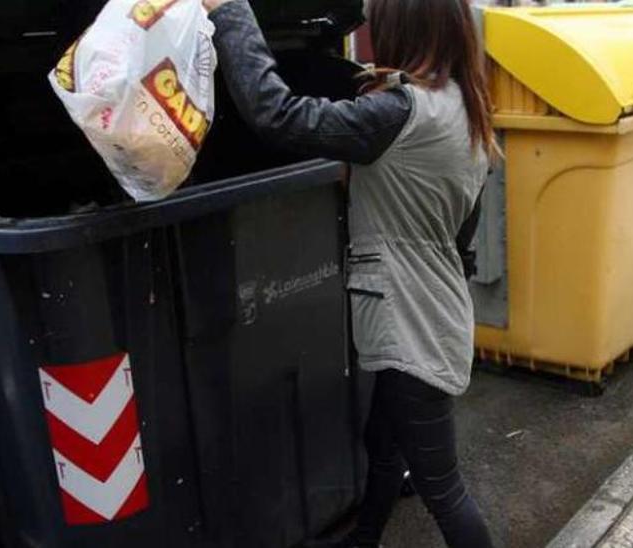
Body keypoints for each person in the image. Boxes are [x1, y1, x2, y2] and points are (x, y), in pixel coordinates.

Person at [201, 0, 496, 546]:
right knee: (382, 446)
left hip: (412, 323)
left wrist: (230, 14)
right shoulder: (462, 104)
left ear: (400, 28)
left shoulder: (397, 113)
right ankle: (363, 540)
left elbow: (279, 115)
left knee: (442, 488)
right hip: (433, 308)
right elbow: (459, 232)